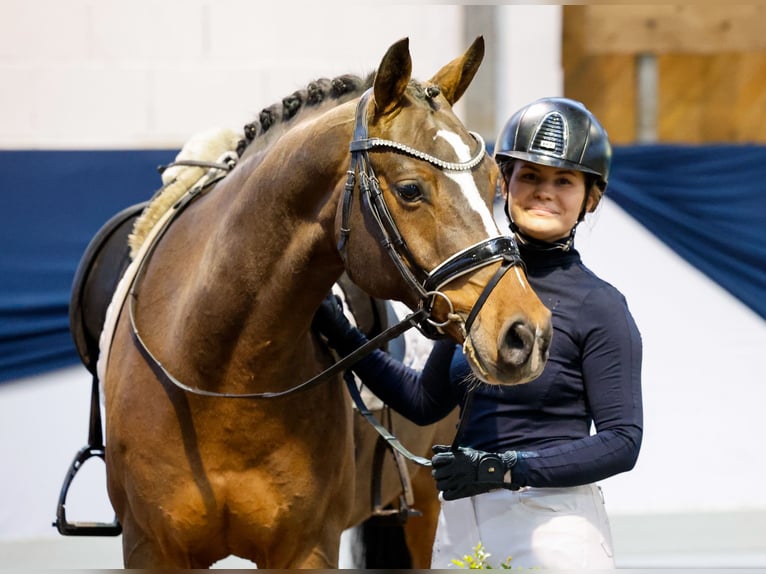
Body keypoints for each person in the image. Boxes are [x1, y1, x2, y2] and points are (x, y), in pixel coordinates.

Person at [313, 97, 643, 569]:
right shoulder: (479, 296)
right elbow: (423, 402)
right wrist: (344, 336)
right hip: (462, 525)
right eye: (529, 176)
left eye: (563, 181)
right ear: (503, 182)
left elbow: (622, 440)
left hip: (555, 527)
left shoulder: (601, 306)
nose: (543, 191)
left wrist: (506, 469)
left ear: (590, 197)